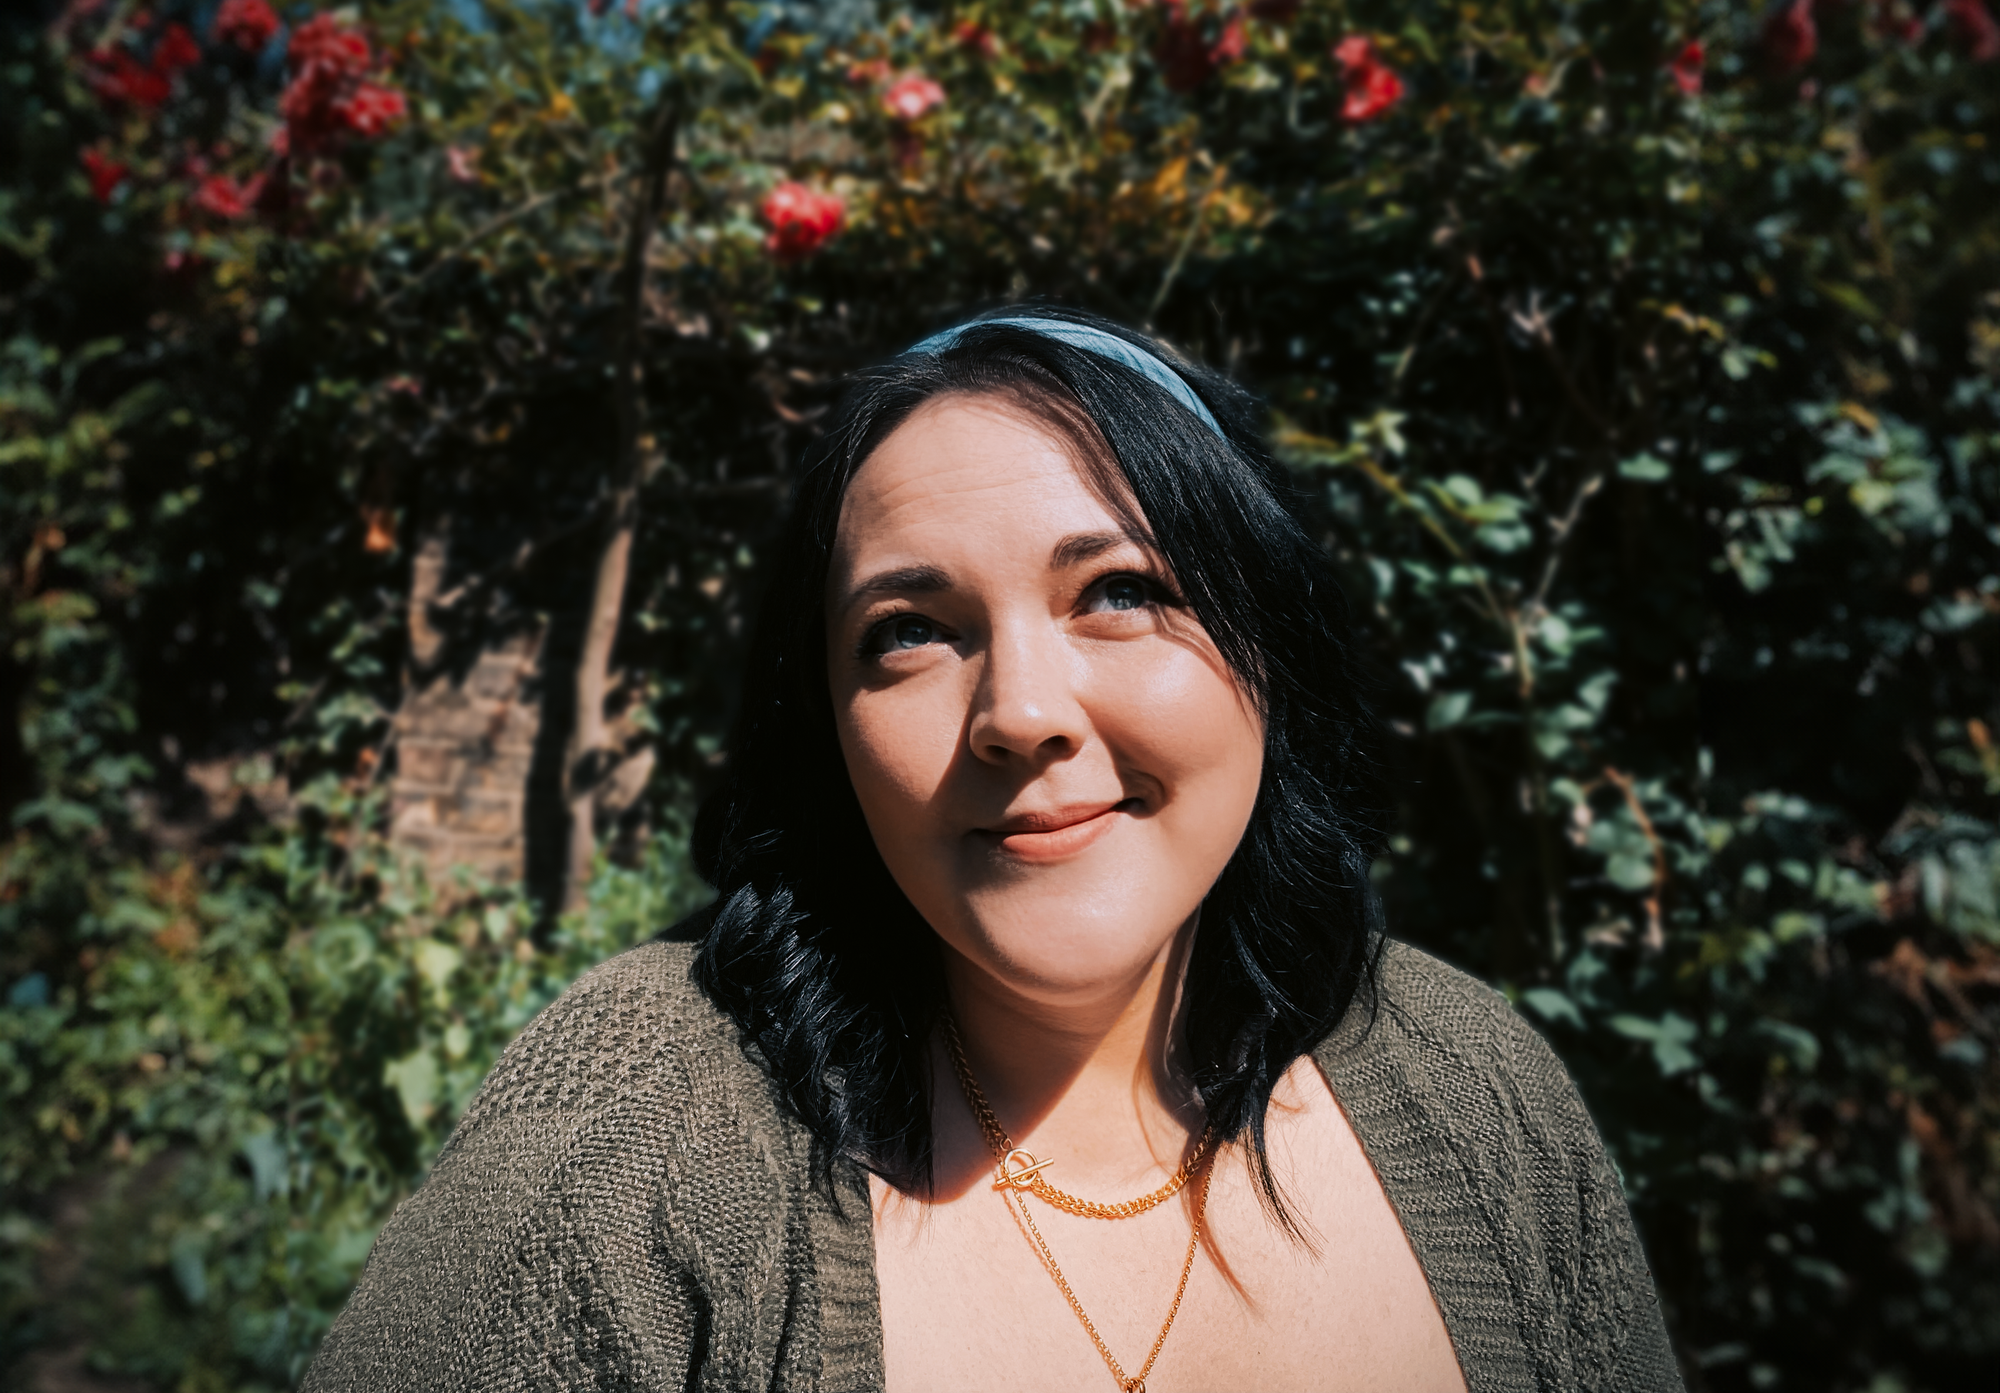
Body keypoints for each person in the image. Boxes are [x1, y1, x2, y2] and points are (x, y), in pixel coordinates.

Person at [303, 310, 1681, 1392]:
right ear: (827, 727)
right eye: (909, 632)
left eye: (1121, 592)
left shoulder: (1478, 1088)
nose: (1021, 713)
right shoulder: (631, 1133)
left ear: (1270, 650)